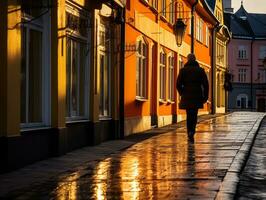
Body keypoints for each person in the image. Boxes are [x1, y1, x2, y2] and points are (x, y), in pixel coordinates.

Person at [176, 53, 209, 142]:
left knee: (188, 114)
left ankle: (189, 131)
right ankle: (192, 131)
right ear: (195, 60)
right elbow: (206, 84)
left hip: (186, 95)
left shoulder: (183, 70)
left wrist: (182, 93)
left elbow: (178, 84)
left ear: (188, 59)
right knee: (194, 114)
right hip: (197, 95)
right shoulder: (200, 70)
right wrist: (205, 96)